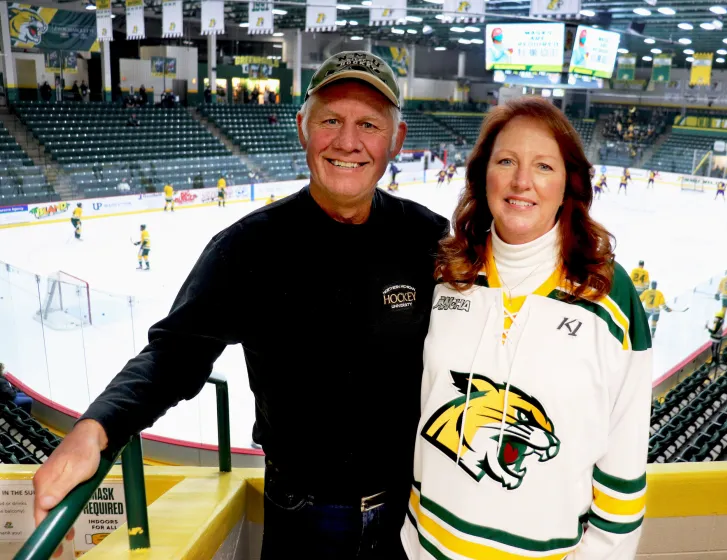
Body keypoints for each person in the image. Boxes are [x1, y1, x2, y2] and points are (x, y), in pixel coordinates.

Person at [32, 50, 448, 559]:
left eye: (369, 125)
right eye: (331, 120)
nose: (347, 141)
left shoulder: (428, 238)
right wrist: (97, 427)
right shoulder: (248, 248)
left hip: (412, 516)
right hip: (302, 516)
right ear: (302, 127)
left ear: (397, 140)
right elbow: (174, 356)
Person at [403, 96, 651, 560]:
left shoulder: (609, 297)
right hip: (429, 548)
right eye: (506, 161)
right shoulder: (446, 274)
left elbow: (624, 449)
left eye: (543, 166)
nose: (521, 182)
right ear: (483, 176)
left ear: (568, 185)